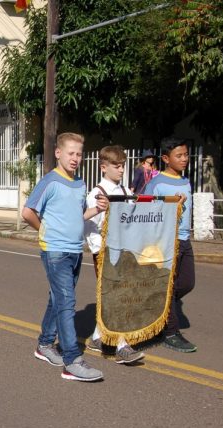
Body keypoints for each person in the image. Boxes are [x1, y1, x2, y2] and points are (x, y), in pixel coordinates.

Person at [22, 132, 109, 382]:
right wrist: (44, 230)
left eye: (79, 154)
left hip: (75, 250)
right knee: (67, 302)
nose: (75, 158)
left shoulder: (80, 184)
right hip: (55, 251)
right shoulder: (50, 181)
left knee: (58, 298)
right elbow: (27, 212)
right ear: (58, 153)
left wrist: (96, 209)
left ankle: (45, 345)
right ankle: (72, 361)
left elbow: (78, 215)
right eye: (71, 153)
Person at [84, 145, 144, 364]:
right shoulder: (97, 193)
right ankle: (122, 346)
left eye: (122, 166)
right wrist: (99, 252)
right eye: (116, 166)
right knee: (118, 296)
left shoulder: (126, 191)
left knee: (118, 294)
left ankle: (97, 338)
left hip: (125, 252)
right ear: (103, 167)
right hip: (106, 253)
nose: (121, 170)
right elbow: (91, 227)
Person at [144, 137, 196, 352]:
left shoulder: (185, 181)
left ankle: (160, 308)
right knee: (168, 287)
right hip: (165, 240)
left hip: (184, 239)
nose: (184, 159)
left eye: (186, 155)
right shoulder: (156, 183)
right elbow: (144, 207)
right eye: (179, 156)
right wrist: (170, 204)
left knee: (186, 283)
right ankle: (171, 332)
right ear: (166, 159)